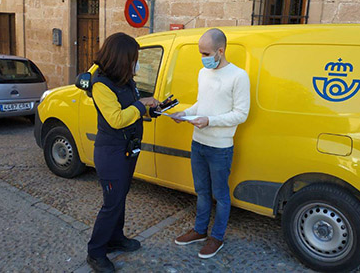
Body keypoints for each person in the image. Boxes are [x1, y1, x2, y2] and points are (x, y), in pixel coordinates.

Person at [172, 28, 250, 259]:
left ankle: (217, 237)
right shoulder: (203, 73)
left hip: (220, 148)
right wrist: (184, 113)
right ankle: (199, 231)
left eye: (206, 53)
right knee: (202, 192)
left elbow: (241, 113)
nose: (203, 57)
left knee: (221, 195)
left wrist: (210, 121)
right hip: (199, 144)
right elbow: (202, 103)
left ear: (220, 50)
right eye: (200, 53)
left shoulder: (239, 76)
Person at [87, 32, 160, 273]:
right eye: (133, 59)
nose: (135, 63)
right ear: (121, 59)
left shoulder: (125, 80)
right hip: (112, 151)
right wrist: (142, 105)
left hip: (128, 149)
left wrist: (155, 108)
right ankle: (96, 252)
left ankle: (116, 238)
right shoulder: (101, 84)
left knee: (120, 198)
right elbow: (117, 119)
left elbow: (134, 107)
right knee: (112, 203)